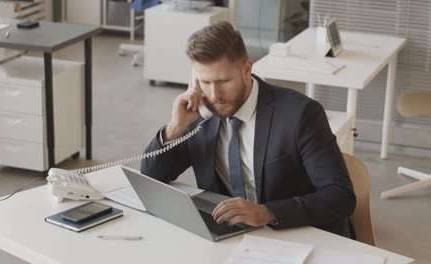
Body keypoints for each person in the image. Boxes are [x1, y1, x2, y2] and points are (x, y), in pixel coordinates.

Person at [141, 20, 356, 237]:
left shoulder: (301, 114)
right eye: (205, 82)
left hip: (296, 233)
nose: (214, 95)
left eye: (224, 81)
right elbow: (151, 177)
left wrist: (267, 212)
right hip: (231, 237)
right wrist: (175, 127)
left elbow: (340, 196)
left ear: (246, 69)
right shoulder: (200, 114)